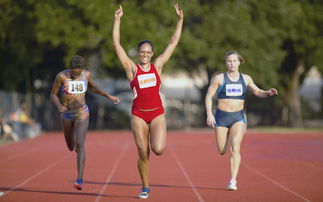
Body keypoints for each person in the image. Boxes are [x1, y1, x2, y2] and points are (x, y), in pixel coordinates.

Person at [113, 3, 183, 199]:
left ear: (152, 54)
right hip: (138, 115)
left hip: (157, 113)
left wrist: (180, 20)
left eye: (148, 52)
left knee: (158, 150)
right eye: (142, 52)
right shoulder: (131, 69)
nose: (145, 54)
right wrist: (117, 20)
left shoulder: (157, 66)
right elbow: (117, 44)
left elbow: (173, 43)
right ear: (138, 53)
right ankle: (145, 187)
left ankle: (151, 159)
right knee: (143, 152)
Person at [205, 51, 278, 191]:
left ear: (239, 62)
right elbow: (208, 96)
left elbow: (257, 92)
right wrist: (209, 114)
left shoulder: (245, 79)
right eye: (229, 61)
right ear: (226, 63)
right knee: (221, 150)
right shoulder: (219, 78)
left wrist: (268, 93)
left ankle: (233, 180)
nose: (232, 63)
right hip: (221, 118)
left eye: (234, 61)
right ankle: (226, 136)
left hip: (238, 117)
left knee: (235, 148)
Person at [50, 55, 120, 190]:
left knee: (80, 145)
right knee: (71, 146)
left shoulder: (86, 75)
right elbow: (53, 94)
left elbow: (94, 88)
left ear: (82, 70)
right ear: (69, 68)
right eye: (73, 73)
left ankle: (79, 179)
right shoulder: (61, 76)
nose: (75, 76)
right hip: (66, 114)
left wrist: (109, 96)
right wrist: (59, 106)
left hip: (82, 112)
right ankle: (74, 140)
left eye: (77, 74)